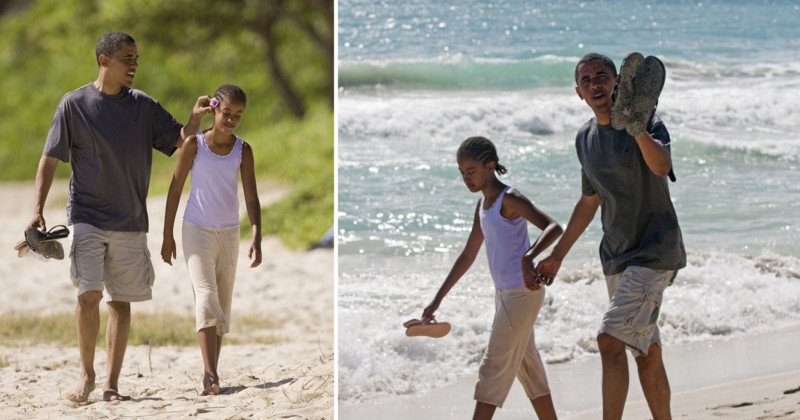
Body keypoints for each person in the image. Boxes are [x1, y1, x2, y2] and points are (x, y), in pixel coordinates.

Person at [28, 32, 211, 403]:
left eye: (136, 59)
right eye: (127, 58)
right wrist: (37, 209)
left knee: (120, 300)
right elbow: (49, 159)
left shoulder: (142, 106)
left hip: (130, 217)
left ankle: (111, 385)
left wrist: (195, 117)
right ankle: (86, 375)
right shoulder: (73, 105)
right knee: (88, 294)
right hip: (87, 215)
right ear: (104, 60)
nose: (134, 65)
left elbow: (178, 140)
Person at [534, 53, 686, 419]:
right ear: (578, 92)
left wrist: (636, 128)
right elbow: (589, 200)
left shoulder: (645, 119)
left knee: (609, 341)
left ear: (618, 80)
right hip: (616, 256)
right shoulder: (585, 139)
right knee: (646, 352)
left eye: (602, 76)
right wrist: (558, 254)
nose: (595, 84)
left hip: (654, 252)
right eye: (586, 80)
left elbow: (661, 166)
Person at [419, 136, 563, 420]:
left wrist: (528, 257)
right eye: (462, 173)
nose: (466, 179)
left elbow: (553, 227)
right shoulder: (483, 206)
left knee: (493, 366)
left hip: (521, 292)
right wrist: (436, 300)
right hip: (506, 294)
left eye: (471, 172)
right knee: (527, 366)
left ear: (490, 166)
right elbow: (467, 256)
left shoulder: (509, 199)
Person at [160, 84, 262, 396]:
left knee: (222, 305)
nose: (231, 119)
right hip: (196, 230)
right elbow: (175, 188)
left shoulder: (243, 151)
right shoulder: (194, 145)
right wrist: (167, 235)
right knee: (206, 296)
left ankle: (212, 372)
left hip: (230, 232)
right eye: (226, 113)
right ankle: (210, 373)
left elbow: (251, 196)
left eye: (238, 115)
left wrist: (257, 232)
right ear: (214, 110)